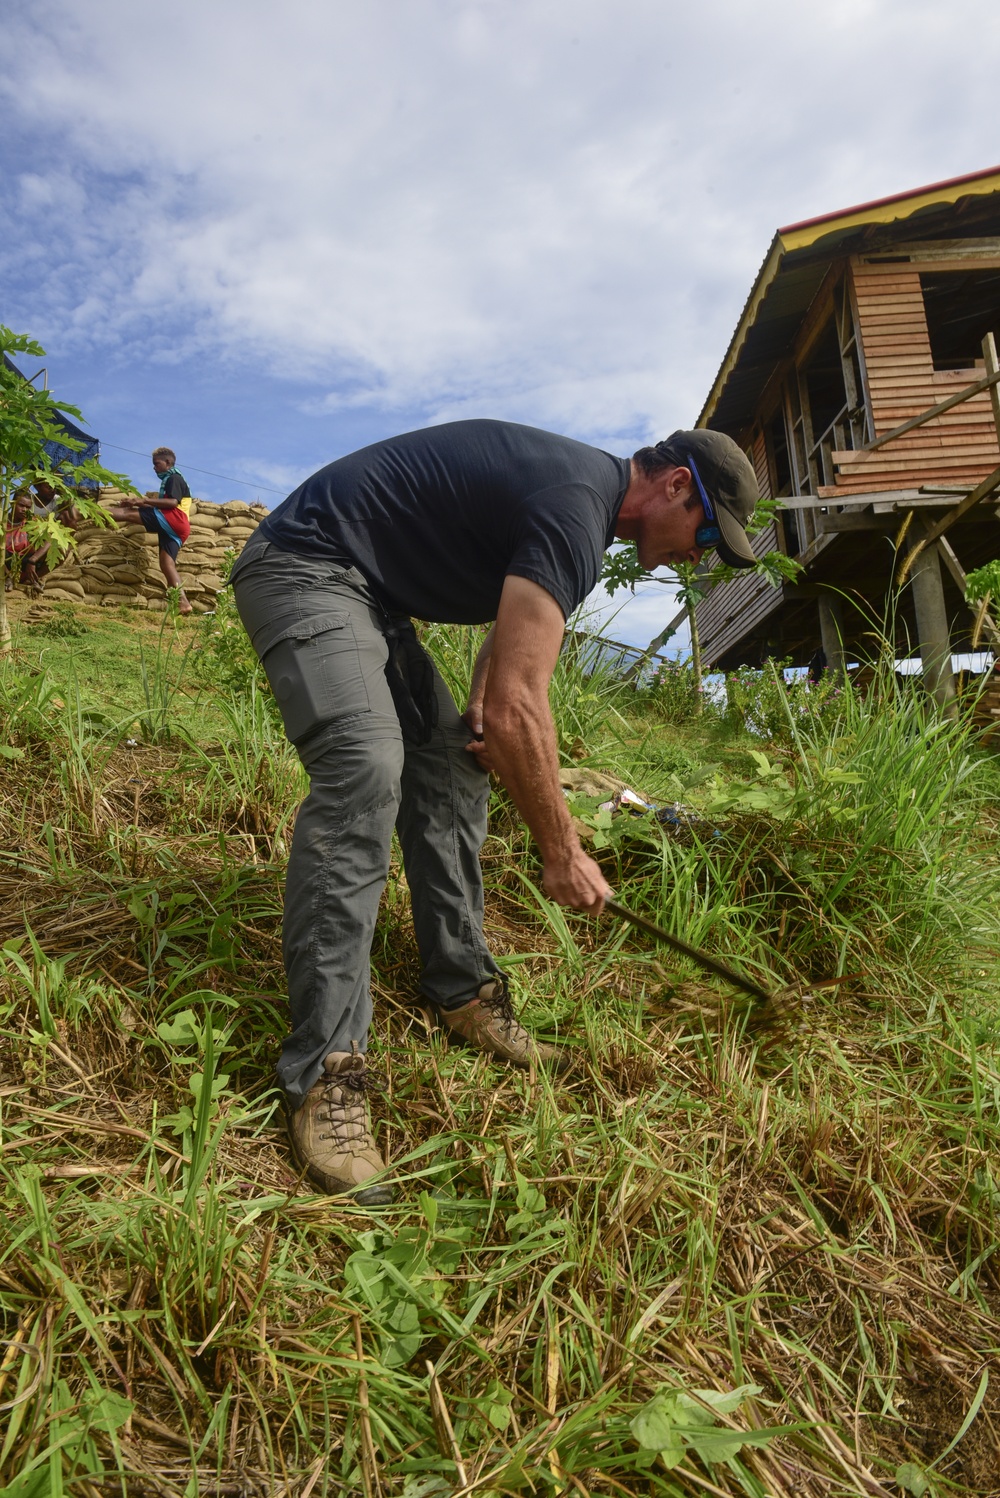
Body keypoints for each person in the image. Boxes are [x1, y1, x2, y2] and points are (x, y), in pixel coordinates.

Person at [231, 420, 759, 1204]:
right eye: (705, 535)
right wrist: (563, 850)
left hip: (373, 597)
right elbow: (522, 709)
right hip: (306, 567)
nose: (697, 558)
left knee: (447, 764)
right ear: (675, 485)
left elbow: (510, 658)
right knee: (366, 770)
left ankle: (463, 991)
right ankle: (327, 1075)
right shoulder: (577, 503)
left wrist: (481, 697)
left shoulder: (585, 512)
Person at [108, 447, 192, 614]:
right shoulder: (171, 478)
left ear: (168, 462)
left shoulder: (174, 478)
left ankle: (85, 512)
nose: (154, 468)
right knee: (166, 564)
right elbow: (163, 504)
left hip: (175, 519)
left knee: (128, 515)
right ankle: (183, 603)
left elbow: (172, 503)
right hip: (179, 527)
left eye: (157, 464)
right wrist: (137, 502)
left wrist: (143, 500)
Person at [5, 491, 51, 593]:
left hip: (26, 561)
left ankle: (32, 579)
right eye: (21, 505)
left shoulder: (33, 521)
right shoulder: (2, 520)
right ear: (12, 503)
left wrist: (33, 560)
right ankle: (7, 577)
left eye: (28, 507)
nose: (24, 510)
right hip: (5, 561)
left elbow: (49, 539)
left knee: (60, 551)